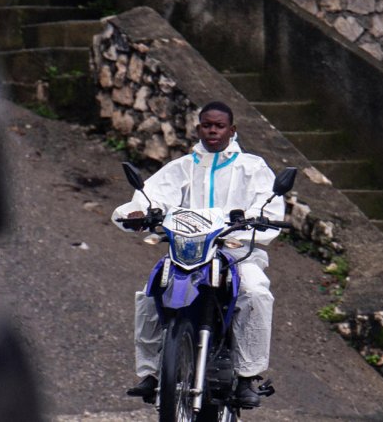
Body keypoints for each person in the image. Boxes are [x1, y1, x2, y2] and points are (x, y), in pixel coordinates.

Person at [110, 101, 282, 407]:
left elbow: (267, 205)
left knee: (255, 292)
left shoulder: (253, 168)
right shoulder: (182, 167)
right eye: (206, 125)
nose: (212, 130)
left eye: (219, 126)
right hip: (186, 252)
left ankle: (246, 378)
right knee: (152, 291)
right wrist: (138, 213)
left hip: (237, 252)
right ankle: (151, 374)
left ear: (232, 130)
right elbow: (153, 196)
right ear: (198, 127)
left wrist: (255, 218)